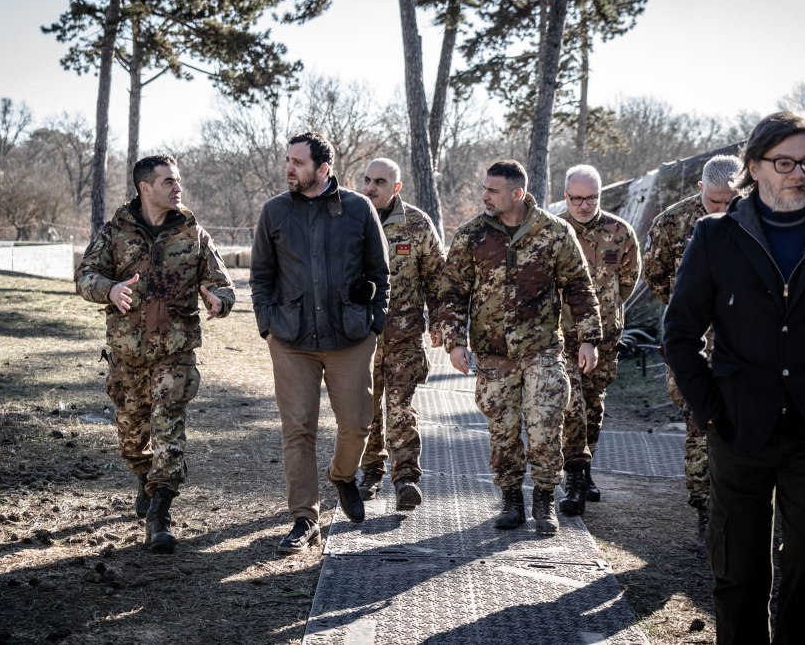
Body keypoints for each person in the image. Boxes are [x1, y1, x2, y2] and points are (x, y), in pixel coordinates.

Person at [663, 111, 805, 644]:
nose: (799, 173)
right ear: (754, 167)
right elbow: (680, 333)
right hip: (740, 426)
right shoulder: (716, 235)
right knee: (738, 567)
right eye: (785, 162)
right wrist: (712, 411)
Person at [75, 154, 236, 554]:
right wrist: (109, 290)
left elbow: (224, 284)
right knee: (133, 439)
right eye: (167, 181)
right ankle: (144, 477)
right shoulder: (116, 231)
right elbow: (85, 277)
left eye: (177, 180)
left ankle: (161, 513)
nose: (176, 187)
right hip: (127, 354)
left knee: (169, 428)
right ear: (145, 188)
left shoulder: (193, 234)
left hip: (175, 353)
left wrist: (220, 301)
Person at [438, 159, 602, 535]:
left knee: (546, 426)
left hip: (542, 349)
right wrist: (454, 343)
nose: (485, 196)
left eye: (492, 190)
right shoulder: (472, 235)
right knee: (503, 431)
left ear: (517, 193)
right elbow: (451, 293)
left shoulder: (555, 232)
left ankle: (544, 501)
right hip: (494, 354)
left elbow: (580, 287)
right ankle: (511, 499)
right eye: (485, 188)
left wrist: (590, 339)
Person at [250, 131, 390, 554]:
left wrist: (374, 323)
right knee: (298, 430)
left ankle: (343, 476)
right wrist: (267, 325)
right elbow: (260, 277)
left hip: (349, 336)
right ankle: (304, 519)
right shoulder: (274, 212)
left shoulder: (357, 208)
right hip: (291, 339)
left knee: (357, 423)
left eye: (298, 162)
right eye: (288, 160)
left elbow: (380, 273)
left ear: (323, 169)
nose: (289, 168)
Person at [642, 154, 741, 551]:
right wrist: (689, 308)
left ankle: (737, 511)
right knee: (701, 423)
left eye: (729, 200)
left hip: (743, 342)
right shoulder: (672, 222)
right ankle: (706, 514)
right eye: (714, 201)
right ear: (699, 189)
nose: (721, 209)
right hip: (694, 342)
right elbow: (655, 273)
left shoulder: (758, 218)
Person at [355, 158, 445, 510]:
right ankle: (371, 471)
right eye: (366, 180)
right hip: (359, 338)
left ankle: (406, 477)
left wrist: (440, 321)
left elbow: (438, 278)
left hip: (404, 338)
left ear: (396, 187)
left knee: (401, 409)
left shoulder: (417, 224)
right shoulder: (349, 218)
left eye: (379, 181)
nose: (370, 187)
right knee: (365, 411)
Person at [556, 165, 640, 513]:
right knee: (571, 404)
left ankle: (585, 469)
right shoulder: (554, 232)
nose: (584, 205)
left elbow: (628, 280)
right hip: (562, 335)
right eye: (577, 198)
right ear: (566, 197)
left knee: (593, 404)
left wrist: (607, 312)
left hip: (604, 336)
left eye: (591, 198)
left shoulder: (619, 232)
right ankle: (574, 476)